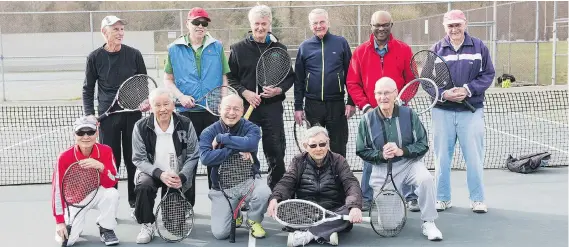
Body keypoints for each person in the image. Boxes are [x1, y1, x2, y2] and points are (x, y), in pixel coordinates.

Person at [346, 10, 417, 212]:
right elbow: (352, 83)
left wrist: (402, 100)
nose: (381, 29)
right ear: (371, 26)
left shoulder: (404, 50)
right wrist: (366, 106)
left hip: (399, 111)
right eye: (377, 25)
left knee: (404, 151)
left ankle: (411, 195)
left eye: (385, 25)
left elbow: (412, 81)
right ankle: (366, 197)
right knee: (372, 154)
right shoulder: (360, 52)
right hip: (372, 112)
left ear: (391, 26)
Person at [355, 77, 443, 241]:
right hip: (382, 168)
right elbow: (361, 150)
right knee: (389, 225)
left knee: (426, 179)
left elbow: (423, 144)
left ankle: (429, 222)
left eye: (387, 93)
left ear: (395, 94)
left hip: (409, 164)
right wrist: (381, 155)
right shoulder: (366, 120)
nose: (383, 97)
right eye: (379, 93)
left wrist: (401, 151)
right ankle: (398, 203)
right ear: (374, 95)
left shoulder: (409, 114)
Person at [163, 7, 231, 205]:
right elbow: (168, 80)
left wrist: (223, 102)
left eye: (204, 23)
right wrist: (181, 96)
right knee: (186, 161)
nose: (200, 27)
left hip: (212, 113)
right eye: (196, 23)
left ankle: (219, 203)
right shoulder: (174, 49)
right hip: (186, 113)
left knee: (216, 157)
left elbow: (224, 78)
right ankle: (186, 204)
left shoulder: (217, 47)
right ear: (188, 24)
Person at [82, 15, 148, 215]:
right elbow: (88, 89)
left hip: (132, 114)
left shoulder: (134, 54)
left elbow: (143, 82)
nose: (120, 33)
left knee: (132, 159)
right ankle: (110, 204)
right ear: (104, 32)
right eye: (115, 29)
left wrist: (144, 100)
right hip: (107, 117)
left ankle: (134, 202)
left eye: (121, 29)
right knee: (110, 162)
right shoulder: (94, 58)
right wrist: (90, 114)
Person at [431, 10, 495, 214]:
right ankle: (442, 198)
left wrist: (468, 90)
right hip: (443, 111)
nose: (454, 29)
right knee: (441, 158)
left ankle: (477, 199)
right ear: (444, 27)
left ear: (465, 24)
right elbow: (426, 82)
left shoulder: (479, 47)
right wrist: (443, 94)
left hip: (471, 110)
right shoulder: (436, 49)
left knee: (474, 157)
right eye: (450, 25)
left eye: (458, 24)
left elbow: (488, 74)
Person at [227, 4, 295, 190]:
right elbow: (231, 77)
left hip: (272, 108)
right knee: (246, 152)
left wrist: (278, 90)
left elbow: (289, 77)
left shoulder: (279, 49)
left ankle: (277, 192)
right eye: (256, 24)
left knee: (275, 150)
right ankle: (247, 191)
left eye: (264, 24)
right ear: (251, 24)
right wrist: (245, 92)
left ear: (269, 24)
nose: (260, 28)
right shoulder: (238, 49)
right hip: (247, 109)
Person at [267, 126, 364, 247]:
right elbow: (287, 182)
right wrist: (275, 198)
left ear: (328, 143)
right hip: (304, 212)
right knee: (281, 210)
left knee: (346, 212)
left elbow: (351, 183)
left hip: (332, 212)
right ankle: (326, 233)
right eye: (313, 145)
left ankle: (308, 234)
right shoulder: (298, 161)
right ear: (305, 146)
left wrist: (354, 206)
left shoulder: (339, 160)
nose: (319, 149)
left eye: (322, 144)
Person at [131, 88, 200, 244]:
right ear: (151, 106)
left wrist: (182, 176)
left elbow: (193, 155)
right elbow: (139, 159)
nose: (163, 109)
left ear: (173, 104)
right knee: (144, 186)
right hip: (151, 173)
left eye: (166, 104)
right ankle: (147, 224)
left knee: (174, 227)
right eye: (157, 105)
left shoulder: (185, 123)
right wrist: (159, 174)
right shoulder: (140, 127)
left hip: (177, 175)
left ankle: (176, 211)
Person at [199, 94, 271, 239]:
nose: (232, 113)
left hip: (248, 181)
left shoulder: (252, 128)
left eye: (236, 109)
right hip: (222, 187)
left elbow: (250, 144)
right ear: (220, 109)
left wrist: (221, 139)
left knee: (264, 192)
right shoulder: (208, 132)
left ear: (243, 111)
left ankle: (253, 219)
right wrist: (236, 148)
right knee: (220, 234)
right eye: (228, 108)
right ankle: (235, 212)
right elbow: (206, 158)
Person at [294, 8, 356, 158]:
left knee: (338, 145)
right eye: (315, 23)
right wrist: (298, 107)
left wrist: (351, 102)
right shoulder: (304, 47)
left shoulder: (341, 43)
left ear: (328, 23)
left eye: (322, 22)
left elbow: (351, 75)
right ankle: (317, 179)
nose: (319, 26)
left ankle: (338, 180)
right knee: (315, 147)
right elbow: (299, 79)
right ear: (310, 26)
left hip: (336, 105)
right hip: (312, 105)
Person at [52, 116, 120, 246]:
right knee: (66, 241)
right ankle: (76, 223)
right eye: (80, 132)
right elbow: (57, 191)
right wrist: (59, 221)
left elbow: (112, 182)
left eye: (90, 132)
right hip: (74, 201)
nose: (86, 136)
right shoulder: (64, 157)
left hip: (95, 193)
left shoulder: (106, 151)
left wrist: (101, 167)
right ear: (74, 134)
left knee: (112, 194)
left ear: (97, 133)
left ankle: (106, 228)